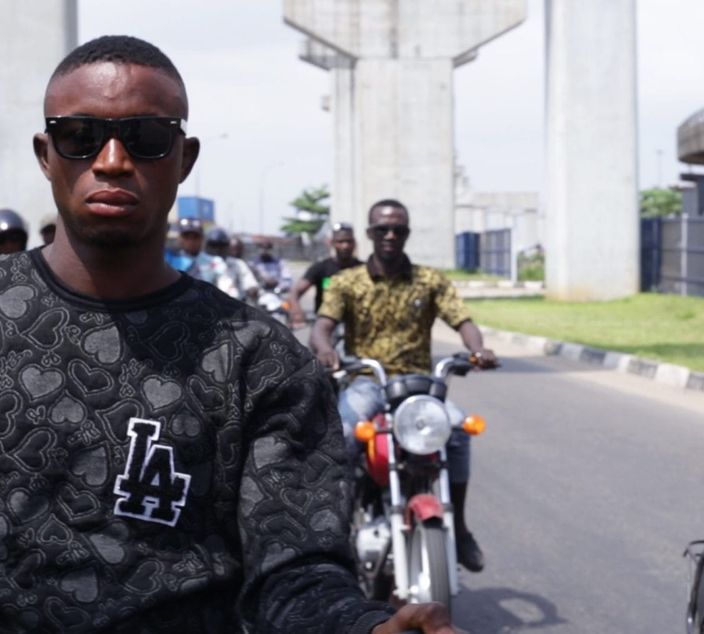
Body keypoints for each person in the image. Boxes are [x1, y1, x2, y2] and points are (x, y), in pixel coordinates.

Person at [24, 34, 454, 633]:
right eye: (80, 137)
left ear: (184, 157)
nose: (113, 160)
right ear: (47, 154)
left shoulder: (260, 361)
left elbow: (294, 569)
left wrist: (364, 627)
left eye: (147, 139)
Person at [311, 198, 499, 573]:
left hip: (418, 387)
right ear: (370, 234)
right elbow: (323, 326)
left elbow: (462, 321)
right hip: (367, 381)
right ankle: (335, 537)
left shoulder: (429, 280)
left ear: (407, 234)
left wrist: (478, 350)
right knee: (345, 433)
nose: (391, 235)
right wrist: (325, 350)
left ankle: (459, 528)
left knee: (459, 430)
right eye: (382, 229)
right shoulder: (348, 282)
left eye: (398, 229)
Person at [288, 222, 362, 328]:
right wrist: (296, 310)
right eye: (340, 242)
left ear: (354, 243)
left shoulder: (363, 269)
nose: (345, 246)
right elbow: (295, 292)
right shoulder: (320, 268)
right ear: (331, 243)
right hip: (326, 324)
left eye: (349, 241)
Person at [172, 216, 239, 299]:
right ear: (180, 238)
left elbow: (227, 290)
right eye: (187, 237)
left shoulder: (215, 262)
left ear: (202, 238)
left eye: (195, 237)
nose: (191, 241)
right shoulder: (170, 262)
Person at [205, 225, 259, 302]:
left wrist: (252, 289)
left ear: (227, 246)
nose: (218, 249)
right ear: (207, 246)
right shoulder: (201, 264)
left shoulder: (237, 264)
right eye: (214, 245)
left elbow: (249, 282)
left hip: (235, 305)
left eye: (221, 246)